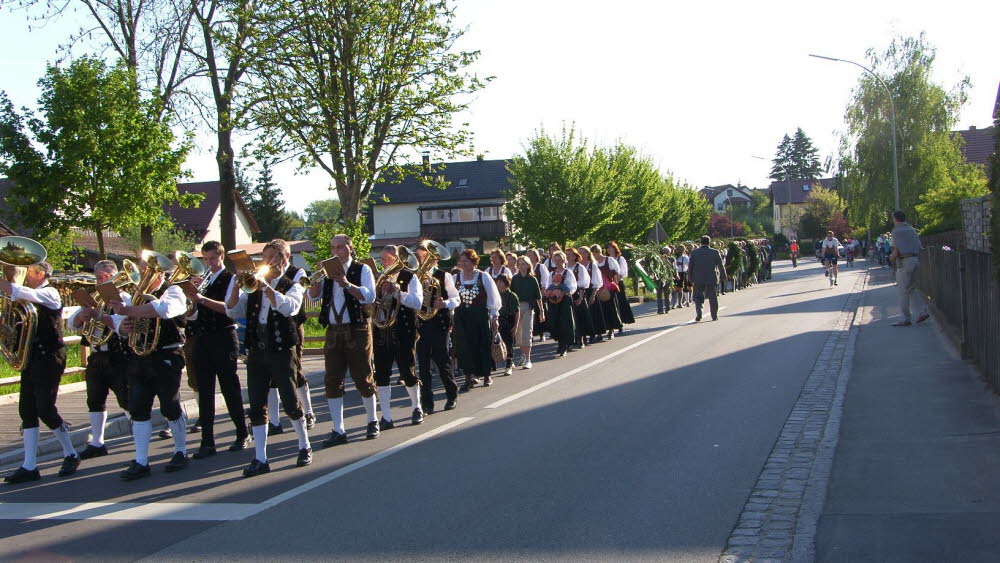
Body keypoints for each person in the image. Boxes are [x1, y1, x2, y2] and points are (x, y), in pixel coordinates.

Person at [225, 239, 311, 476]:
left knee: (290, 401)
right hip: (257, 352)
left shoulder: (293, 283)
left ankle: (304, 445)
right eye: (264, 258)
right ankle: (260, 458)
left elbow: (289, 308)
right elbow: (233, 310)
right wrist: (235, 286)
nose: (265, 263)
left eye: (271, 258)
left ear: (283, 259)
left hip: (282, 351)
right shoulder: (252, 287)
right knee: (256, 405)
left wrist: (266, 288)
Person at [111, 255, 192, 480]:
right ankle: (140, 460)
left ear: (161, 273)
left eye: (150, 270)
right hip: (140, 357)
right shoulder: (136, 297)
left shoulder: (173, 291)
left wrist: (129, 312)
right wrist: (124, 327)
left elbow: (164, 310)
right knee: (138, 408)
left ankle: (180, 451)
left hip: (166, 354)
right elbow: (122, 325)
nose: (145, 275)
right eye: (144, 270)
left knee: (170, 405)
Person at [1, 261, 79, 483]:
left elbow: (17, 290)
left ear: (41, 273)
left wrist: (6, 284)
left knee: (45, 408)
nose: (25, 275)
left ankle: (71, 453)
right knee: (27, 410)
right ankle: (29, 465)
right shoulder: (27, 296)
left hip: (50, 357)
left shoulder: (51, 293)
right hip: (31, 357)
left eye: (30, 271)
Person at [308, 233, 381, 446]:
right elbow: (313, 297)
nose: (336, 251)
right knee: (332, 380)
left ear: (350, 248)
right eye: (333, 248)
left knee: (363, 376)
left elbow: (369, 296)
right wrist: (314, 284)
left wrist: (347, 284)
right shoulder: (327, 272)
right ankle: (338, 429)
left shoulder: (362, 269)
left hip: (357, 328)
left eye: (340, 247)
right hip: (333, 330)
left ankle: (372, 420)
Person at [182, 241, 249, 459]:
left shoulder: (231, 279)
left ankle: (242, 433)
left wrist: (201, 298)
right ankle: (207, 442)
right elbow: (191, 316)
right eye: (205, 259)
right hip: (202, 338)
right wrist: (191, 301)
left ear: (221, 257)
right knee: (205, 390)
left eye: (212, 259)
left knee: (230, 387)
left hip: (223, 337)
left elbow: (229, 310)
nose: (209, 263)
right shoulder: (204, 279)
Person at [67, 260, 131, 462]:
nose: (100, 281)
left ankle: (140, 432)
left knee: (127, 399)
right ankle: (97, 442)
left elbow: (123, 328)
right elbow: (72, 324)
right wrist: (82, 317)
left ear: (114, 278)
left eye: (105, 277)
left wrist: (99, 315)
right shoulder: (94, 299)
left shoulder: (125, 299)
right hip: (97, 356)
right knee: (94, 400)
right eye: (98, 278)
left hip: (118, 356)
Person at [372, 245, 424, 428]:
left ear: (397, 258)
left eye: (386, 259)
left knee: (407, 370)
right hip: (381, 330)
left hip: (403, 330)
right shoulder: (378, 278)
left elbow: (417, 302)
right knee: (382, 374)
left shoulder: (410, 277)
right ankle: (386, 416)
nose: (383, 262)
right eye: (382, 259)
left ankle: (417, 407)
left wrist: (397, 292)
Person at [265, 262, 317, 435]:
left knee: (296, 371)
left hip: (292, 326)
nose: (269, 261)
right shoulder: (265, 275)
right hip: (269, 330)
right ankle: (274, 421)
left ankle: (308, 412)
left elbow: (301, 291)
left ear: (284, 257)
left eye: (273, 257)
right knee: (271, 376)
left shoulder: (297, 272)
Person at [413, 241, 460, 414]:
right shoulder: (413, 277)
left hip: (439, 323)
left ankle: (451, 395)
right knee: (423, 365)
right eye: (418, 256)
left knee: (442, 361)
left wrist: (444, 303)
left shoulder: (442, 276)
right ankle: (427, 403)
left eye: (424, 256)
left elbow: (457, 298)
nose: (421, 259)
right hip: (421, 324)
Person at [453, 249, 501, 390]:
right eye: (461, 262)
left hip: (480, 316)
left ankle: (486, 375)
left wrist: (494, 316)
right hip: (462, 317)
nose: (463, 264)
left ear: (474, 262)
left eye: (466, 261)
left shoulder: (483, 276)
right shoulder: (455, 278)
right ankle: (468, 376)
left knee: (482, 344)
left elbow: (494, 298)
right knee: (464, 346)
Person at [889, 211, 930, 327]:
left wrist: (891, 257)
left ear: (895, 219)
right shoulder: (912, 229)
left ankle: (905, 318)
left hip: (904, 262)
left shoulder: (896, 231)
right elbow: (919, 245)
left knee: (903, 292)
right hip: (915, 260)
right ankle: (923, 311)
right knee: (911, 288)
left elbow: (896, 250)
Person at [511, 256, 542, 369]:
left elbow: (538, 296)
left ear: (528, 265)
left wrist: (542, 311)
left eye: (524, 264)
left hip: (528, 307)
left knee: (527, 333)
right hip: (517, 308)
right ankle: (523, 356)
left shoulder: (532, 279)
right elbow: (511, 295)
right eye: (519, 264)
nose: (521, 266)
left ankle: (528, 359)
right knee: (518, 334)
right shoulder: (514, 279)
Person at [545, 250, 578, 356]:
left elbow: (573, 286)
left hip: (564, 301)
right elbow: (547, 286)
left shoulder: (568, 273)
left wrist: (563, 292)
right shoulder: (551, 274)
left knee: (564, 322)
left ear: (564, 260)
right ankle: (559, 343)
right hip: (554, 300)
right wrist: (551, 292)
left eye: (560, 260)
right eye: (556, 260)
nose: (558, 262)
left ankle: (564, 345)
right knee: (555, 321)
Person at [688, 236, 727, 322]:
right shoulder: (715, 252)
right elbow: (721, 266)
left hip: (698, 278)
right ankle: (714, 315)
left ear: (700, 242)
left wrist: (689, 278)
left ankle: (699, 313)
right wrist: (724, 276)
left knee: (698, 297)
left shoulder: (694, 253)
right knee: (713, 298)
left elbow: (690, 267)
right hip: (711, 278)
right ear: (709, 242)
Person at [591, 244, 622, 339]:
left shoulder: (609, 260)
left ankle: (611, 330)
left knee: (610, 309)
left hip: (609, 288)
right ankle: (600, 332)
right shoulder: (593, 263)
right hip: (598, 289)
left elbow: (617, 272)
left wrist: (614, 281)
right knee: (600, 311)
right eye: (593, 253)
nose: (595, 254)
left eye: (596, 252)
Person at [565, 248, 593, 348]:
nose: (568, 256)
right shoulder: (563, 267)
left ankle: (582, 338)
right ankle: (572, 339)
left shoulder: (579, 267)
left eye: (570, 254)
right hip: (566, 295)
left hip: (577, 294)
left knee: (580, 317)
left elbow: (584, 283)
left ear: (574, 256)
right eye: (566, 254)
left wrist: (581, 297)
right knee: (569, 318)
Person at [578, 246, 605, 343]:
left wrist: (593, 295)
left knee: (594, 313)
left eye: (583, 253)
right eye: (579, 253)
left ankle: (597, 333)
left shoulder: (592, 265)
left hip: (591, 291)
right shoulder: (577, 265)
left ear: (588, 254)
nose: (581, 255)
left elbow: (597, 281)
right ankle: (584, 334)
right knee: (584, 314)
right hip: (581, 292)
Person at [606, 241, 635, 332]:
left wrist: (616, 282)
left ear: (615, 248)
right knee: (611, 305)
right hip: (609, 285)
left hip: (618, 284)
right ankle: (612, 325)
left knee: (620, 303)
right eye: (608, 248)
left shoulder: (620, 259)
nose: (609, 249)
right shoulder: (606, 260)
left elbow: (623, 273)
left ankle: (620, 324)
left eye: (611, 247)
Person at [495, 274, 519, 375]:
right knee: (496, 342)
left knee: (508, 343)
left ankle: (509, 364)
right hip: (497, 320)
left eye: (501, 282)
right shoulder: (495, 294)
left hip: (508, 320)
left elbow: (517, 311)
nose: (499, 284)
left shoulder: (512, 295)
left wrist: (516, 326)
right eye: (498, 281)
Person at [526, 249, 550, 342]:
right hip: (528, 295)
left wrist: (541, 294)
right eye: (527, 255)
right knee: (529, 315)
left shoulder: (541, 267)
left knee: (539, 314)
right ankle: (531, 334)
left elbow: (545, 282)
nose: (529, 257)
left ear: (536, 256)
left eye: (531, 255)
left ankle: (541, 333)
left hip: (538, 294)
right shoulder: (526, 267)